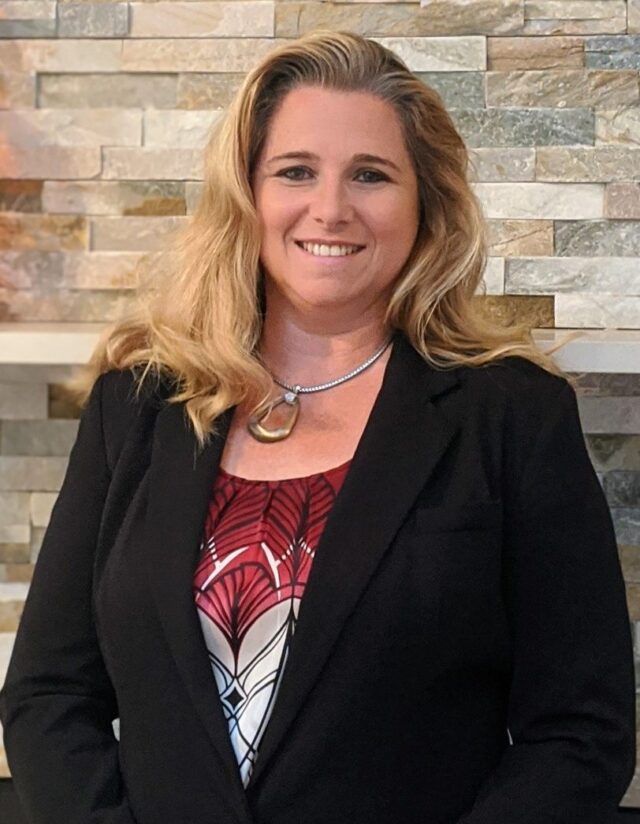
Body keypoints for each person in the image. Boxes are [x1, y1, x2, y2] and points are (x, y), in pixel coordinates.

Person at [0, 29, 635, 824]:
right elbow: (48, 693)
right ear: (248, 195)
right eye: (295, 171)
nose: (330, 209)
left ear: (423, 203)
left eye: (370, 175)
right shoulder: (137, 407)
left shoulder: (511, 416)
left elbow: (581, 730)